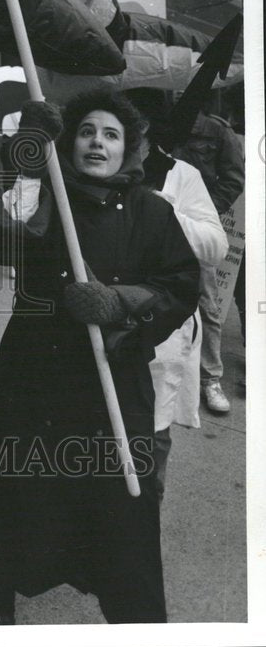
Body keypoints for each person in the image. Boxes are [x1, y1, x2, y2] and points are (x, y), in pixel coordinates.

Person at [0, 89, 200, 625]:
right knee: (25, 494)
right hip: (35, 376)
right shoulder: (44, 198)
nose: (97, 142)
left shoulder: (152, 212)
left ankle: (134, 622)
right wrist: (19, 155)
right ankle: (8, 583)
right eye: (87, 130)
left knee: (121, 517)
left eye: (111, 134)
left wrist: (121, 303)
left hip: (111, 378)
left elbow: (182, 286)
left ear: (128, 148)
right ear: (70, 142)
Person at [127, 89, 228, 500]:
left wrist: (161, 209)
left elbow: (213, 246)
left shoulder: (180, 176)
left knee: (150, 435)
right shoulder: (82, 168)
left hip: (158, 331)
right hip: (92, 332)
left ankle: (141, 525)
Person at [172, 103, 245, 414]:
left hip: (196, 225)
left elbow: (233, 178)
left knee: (207, 301)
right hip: (155, 218)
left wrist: (204, 209)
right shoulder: (157, 119)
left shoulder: (216, 130)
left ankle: (209, 378)